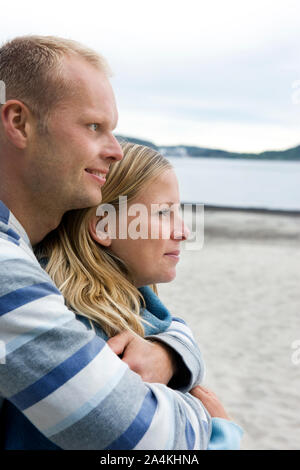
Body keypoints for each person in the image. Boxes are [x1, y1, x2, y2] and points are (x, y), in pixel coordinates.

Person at [0, 34, 224, 450]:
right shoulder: (15, 274)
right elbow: (134, 437)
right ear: (18, 122)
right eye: (94, 126)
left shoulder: (25, 254)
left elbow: (171, 324)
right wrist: (219, 428)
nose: (116, 150)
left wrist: (172, 353)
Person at [35, 142, 243, 450]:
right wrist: (223, 436)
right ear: (104, 224)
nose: (184, 231)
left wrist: (170, 355)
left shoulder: (134, 312)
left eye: (179, 212)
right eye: (163, 212)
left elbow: (175, 326)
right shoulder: (92, 337)